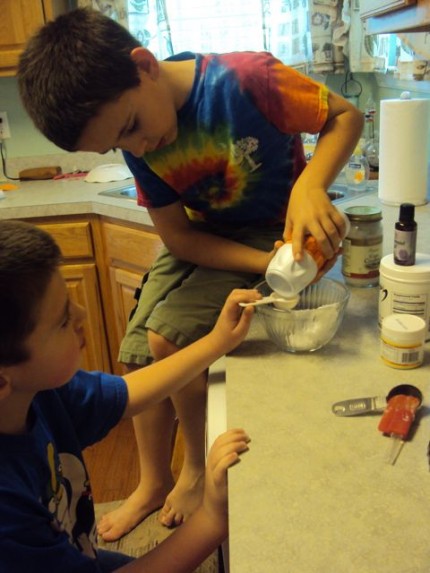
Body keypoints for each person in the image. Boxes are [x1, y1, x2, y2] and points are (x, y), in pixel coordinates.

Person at [17, 7, 364, 538]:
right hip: (209, 244)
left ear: (144, 65)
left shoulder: (247, 79)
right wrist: (264, 267)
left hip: (269, 228)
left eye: (131, 127)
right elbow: (179, 239)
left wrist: (309, 185)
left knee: (166, 339)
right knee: (135, 354)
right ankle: (152, 482)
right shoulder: (140, 145)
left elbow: (345, 117)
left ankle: (197, 468)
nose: (137, 148)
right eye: (118, 144)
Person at [0, 219, 254, 573]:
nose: (82, 314)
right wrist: (212, 518)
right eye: (61, 320)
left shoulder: (40, 393)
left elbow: (125, 395)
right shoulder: (6, 516)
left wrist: (217, 341)